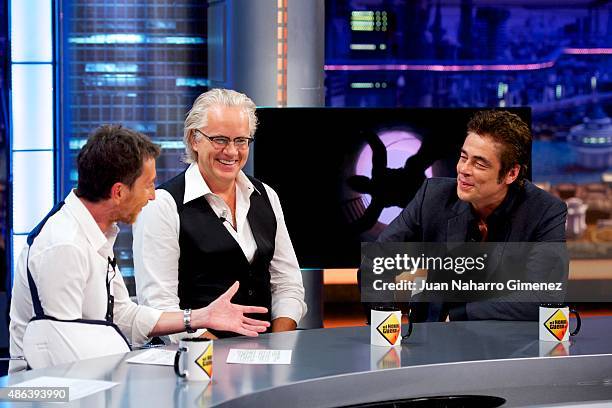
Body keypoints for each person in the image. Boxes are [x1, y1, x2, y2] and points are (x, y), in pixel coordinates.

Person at [9, 125, 270, 372]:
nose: (153, 195)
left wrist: (200, 317)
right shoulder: (64, 246)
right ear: (119, 192)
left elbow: (124, 315)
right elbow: (64, 355)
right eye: (148, 184)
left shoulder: (94, 232)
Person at [133, 89, 306, 340]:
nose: (232, 152)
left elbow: (287, 284)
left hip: (267, 360)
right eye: (220, 140)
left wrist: (277, 346)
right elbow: (160, 306)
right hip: (199, 363)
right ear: (194, 139)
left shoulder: (266, 195)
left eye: (241, 140)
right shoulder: (162, 206)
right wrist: (222, 358)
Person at [371, 110, 568, 321]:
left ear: (511, 173)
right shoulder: (432, 196)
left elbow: (545, 296)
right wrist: (385, 327)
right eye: (463, 157)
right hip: (430, 339)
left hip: (504, 343)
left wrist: (458, 316)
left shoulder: (545, 212)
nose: (463, 169)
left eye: (479, 163)